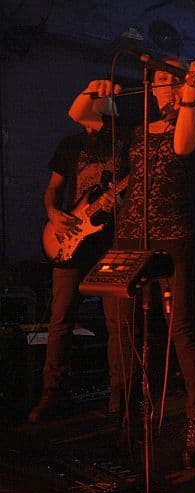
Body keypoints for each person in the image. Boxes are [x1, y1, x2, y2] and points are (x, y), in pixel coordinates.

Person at [72, 57, 195, 468]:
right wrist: (94, 89)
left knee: (180, 330)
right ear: (151, 86)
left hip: (173, 235)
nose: (166, 85)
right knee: (123, 327)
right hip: (131, 235)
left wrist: (191, 93)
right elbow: (79, 114)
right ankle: (128, 417)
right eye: (160, 80)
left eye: (173, 79)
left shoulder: (191, 118)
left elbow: (182, 146)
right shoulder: (135, 130)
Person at [28, 92, 127, 423]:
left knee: (117, 323)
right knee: (61, 318)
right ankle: (52, 392)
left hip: (111, 243)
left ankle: (119, 398)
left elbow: (136, 192)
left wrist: (119, 203)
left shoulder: (126, 143)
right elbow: (53, 189)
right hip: (71, 239)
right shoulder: (71, 144)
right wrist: (53, 213)